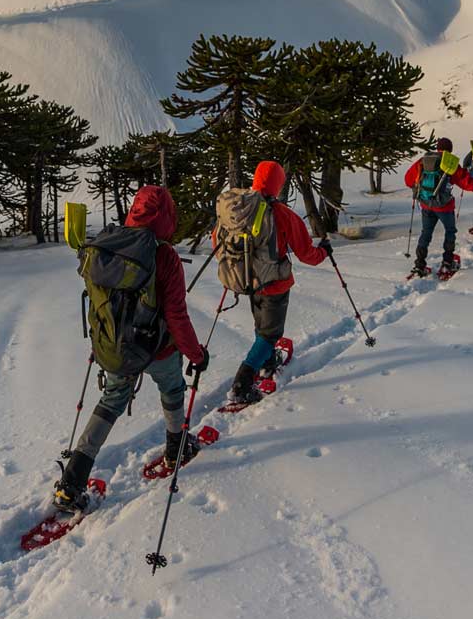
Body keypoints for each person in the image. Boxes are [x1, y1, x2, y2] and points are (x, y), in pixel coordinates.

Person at [54, 183, 209, 512]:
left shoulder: (104, 247)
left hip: (113, 349)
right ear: (166, 216)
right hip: (158, 348)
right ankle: (176, 446)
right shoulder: (163, 255)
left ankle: (72, 481)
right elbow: (177, 316)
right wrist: (197, 355)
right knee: (172, 386)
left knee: (111, 400)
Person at [213, 160, 328, 407]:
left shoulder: (236, 209)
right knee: (271, 333)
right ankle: (241, 385)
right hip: (274, 283)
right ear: (277, 183)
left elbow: (217, 240)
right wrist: (324, 252)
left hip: (246, 281)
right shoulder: (281, 213)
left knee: (261, 324)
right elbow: (307, 254)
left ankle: (267, 361)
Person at [402, 137, 473, 276]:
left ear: (437, 147)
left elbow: (408, 179)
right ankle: (447, 263)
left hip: (426, 205)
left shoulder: (423, 160)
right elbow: (468, 184)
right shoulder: (450, 163)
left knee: (425, 233)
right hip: (445, 206)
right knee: (450, 232)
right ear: (449, 150)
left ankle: (419, 265)